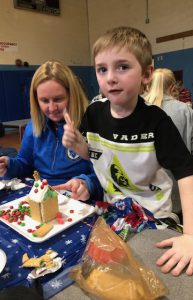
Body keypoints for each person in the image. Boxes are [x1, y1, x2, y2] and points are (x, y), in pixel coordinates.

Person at [62, 26, 193, 276]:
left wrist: (190, 235)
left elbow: (187, 173)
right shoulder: (94, 114)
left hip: (153, 216)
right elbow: (94, 155)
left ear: (146, 74)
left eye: (122, 67)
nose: (110, 77)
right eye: (102, 69)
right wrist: (78, 144)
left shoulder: (157, 121)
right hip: (111, 209)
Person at [0, 61, 102, 201]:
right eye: (44, 101)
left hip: (78, 200)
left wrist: (86, 183)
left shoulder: (94, 124)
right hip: (42, 196)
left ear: (72, 95)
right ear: (36, 101)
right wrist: (9, 166)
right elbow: (25, 163)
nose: (52, 108)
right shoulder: (34, 126)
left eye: (58, 99)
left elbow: (105, 175)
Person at [144, 68, 193, 153]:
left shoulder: (139, 108)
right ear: (172, 87)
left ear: (149, 86)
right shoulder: (185, 110)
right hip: (178, 164)